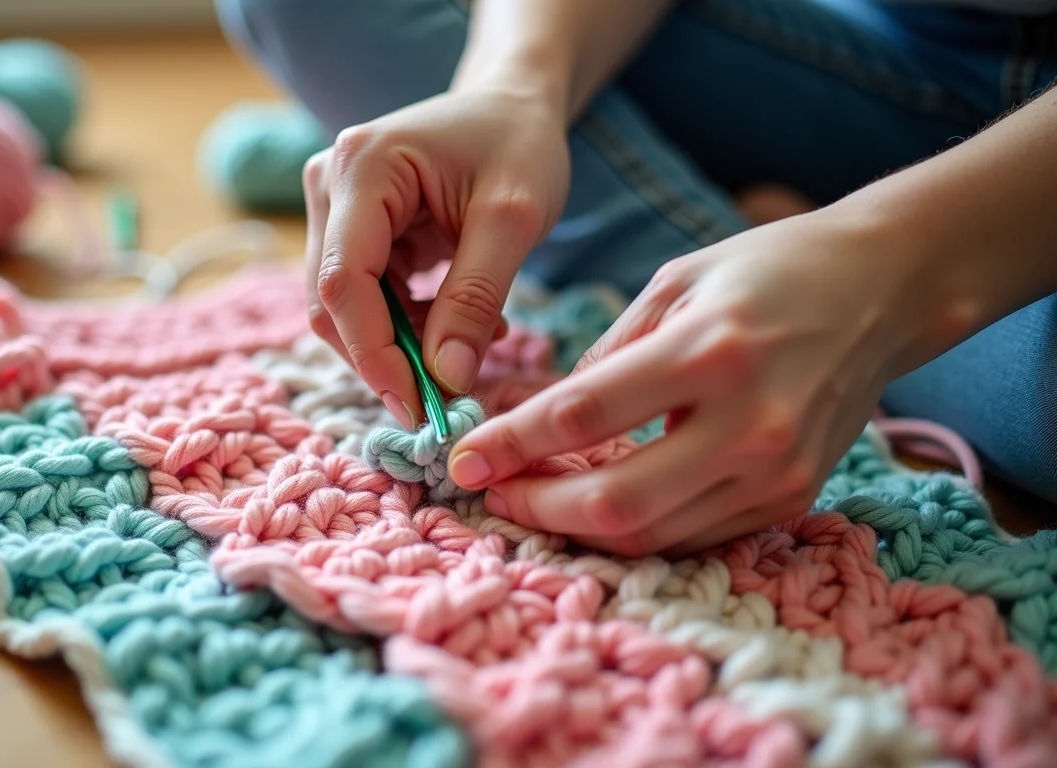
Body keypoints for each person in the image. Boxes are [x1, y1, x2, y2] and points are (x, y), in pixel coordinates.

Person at [216, 0, 1057, 556]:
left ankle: (758, 267)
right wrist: (515, 87)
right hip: (865, 53)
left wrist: (898, 266)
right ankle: (758, 271)